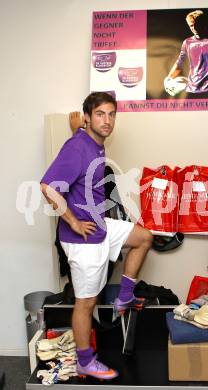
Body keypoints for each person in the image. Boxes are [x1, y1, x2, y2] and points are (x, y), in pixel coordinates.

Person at [40, 92, 153, 380]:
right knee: (85, 303)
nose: (107, 120)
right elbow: (48, 187)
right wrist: (74, 222)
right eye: (100, 114)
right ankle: (84, 361)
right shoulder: (78, 146)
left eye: (111, 114)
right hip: (83, 239)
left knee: (143, 237)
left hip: (100, 226)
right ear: (88, 117)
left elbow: (82, 133)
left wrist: (79, 125)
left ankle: (124, 296)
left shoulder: (92, 141)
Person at [164, 10, 208, 98]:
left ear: (203, 24)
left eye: (197, 24)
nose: (194, 28)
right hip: (192, 90)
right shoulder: (187, 42)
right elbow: (180, 63)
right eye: (191, 25)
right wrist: (168, 78)